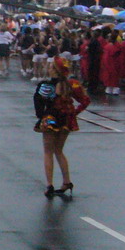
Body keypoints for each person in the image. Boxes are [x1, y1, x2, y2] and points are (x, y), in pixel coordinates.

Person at [33, 57, 89, 198]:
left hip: (50, 119)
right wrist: (75, 111)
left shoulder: (46, 86)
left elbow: (38, 106)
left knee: (48, 152)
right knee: (59, 151)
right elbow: (85, 100)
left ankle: (50, 184)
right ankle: (66, 181)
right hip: (66, 119)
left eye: (51, 67)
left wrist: (42, 117)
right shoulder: (71, 84)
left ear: (54, 70)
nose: (49, 68)